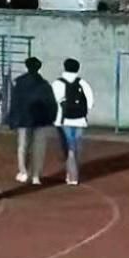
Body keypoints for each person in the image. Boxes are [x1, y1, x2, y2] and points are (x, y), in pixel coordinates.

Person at [8, 56, 58, 186]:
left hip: (24, 119)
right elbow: (51, 103)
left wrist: (12, 119)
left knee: (23, 146)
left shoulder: (19, 83)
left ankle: (24, 171)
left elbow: (15, 102)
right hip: (41, 119)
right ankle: (36, 175)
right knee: (39, 148)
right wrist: (51, 118)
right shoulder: (44, 84)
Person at [52, 58, 95, 186]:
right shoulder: (83, 83)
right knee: (76, 146)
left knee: (69, 147)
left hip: (63, 120)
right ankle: (73, 173)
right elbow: (90, 102)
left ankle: (71, 175)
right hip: (80, 120)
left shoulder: (57, 83)